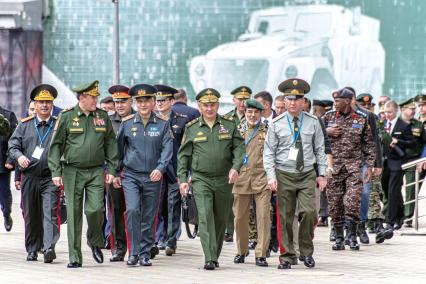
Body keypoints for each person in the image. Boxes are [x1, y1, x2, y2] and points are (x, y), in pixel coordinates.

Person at [48, 80, 118, 268]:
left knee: (95, 209)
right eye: (92, 97)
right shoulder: (67, 116)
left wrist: (112, 168)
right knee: (74, 213)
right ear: (82, 98)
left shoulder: (102, 116)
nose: (96, 100)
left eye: (96, 97)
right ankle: (75, 257)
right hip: (72, 170)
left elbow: (111, 143)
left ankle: (94, 240)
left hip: (96, 170)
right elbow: (56, 146)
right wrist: (56, 171)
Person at [263, 78, 327, 269]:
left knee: (309, 212)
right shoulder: (276, 124)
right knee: (285, 216)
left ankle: (306, 252)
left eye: (297, 99)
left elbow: (320, 149)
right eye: (289, 99)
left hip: (307, 173)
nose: (293, 103)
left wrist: (321, 174)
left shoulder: (314, 122)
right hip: (284, 174)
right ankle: (287, 256)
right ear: (284, 101)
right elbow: (268, 152)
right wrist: (271, 177)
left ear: (304, 101)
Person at [178, 88, 244, 270]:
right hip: (201, 179)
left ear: (217, 105)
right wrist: (183, 179)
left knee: (221, 218)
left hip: (224, 179)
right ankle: (209, 257)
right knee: (205, 216)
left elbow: (239, 149)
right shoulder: (191, 128)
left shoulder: (229, 125)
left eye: (212, 104)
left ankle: (214, 253)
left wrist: (236, 167)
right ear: (199, 106)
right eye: (205, 105)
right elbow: (183, 156)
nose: (209, 108)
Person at [114, 84, 173, 267]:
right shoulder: (127, 123)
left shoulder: (163, 124)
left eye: (147, 100)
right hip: (131, 175)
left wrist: (161, 168)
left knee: (148, 215)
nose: (143, 104)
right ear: (135, 102)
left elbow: (167, 149)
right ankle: (134, 252)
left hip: (153, 176)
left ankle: (145, 253)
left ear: (154, 102)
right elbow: (118, 151)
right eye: (139, 101)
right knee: (132, 211)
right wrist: (116, 172)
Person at [8, 84, 60, 262]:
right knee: (31, 214)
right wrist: (19, 157)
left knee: (50, 212)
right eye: (40, 102)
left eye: (48, 102)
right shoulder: (25, 125)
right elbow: (13, 146)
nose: (44, 105)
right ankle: (32, 248)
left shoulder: (58, 125)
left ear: (52, 104)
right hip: (29, 176)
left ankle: (48, 248)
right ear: (34, 105)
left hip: (51, 177)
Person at [324, 88, 376, 251]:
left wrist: (370, 165)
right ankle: (339, 237)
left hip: (354, 167)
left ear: (347, 101)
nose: (335, 103)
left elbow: (369, 143)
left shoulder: (361, 119)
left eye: (338, 100)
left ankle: (352, 236)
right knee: (335, 203)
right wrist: (327, 131)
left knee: (352, 201)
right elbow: (316, 137)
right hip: (334, 168)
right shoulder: (328, 117)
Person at [232, 99, 271, 267]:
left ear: (261, 113)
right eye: (249, 112)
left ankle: (261, 253)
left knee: (263, 216)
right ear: (245, 112)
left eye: (256, 112)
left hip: (262, 179)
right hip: (241, 179)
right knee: (240, 217)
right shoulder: (236, 130)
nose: (252, 115)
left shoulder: (268, 130)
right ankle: (241, 251)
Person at [154, 84, 189, 256]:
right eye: (157, 100)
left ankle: (171, 240)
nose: (159, 103)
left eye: (163, 100)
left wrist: (185, 173)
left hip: (175, 169)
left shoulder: (181, 120)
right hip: (157, 169)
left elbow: (186, 148)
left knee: (173, 205)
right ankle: (161, 236)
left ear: (172, 101)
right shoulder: (152, 119)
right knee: (159, 206)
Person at [106, 84, 134, 262]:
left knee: (136, 210)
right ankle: (119, 247)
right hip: (114, 173)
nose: (120, 105)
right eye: (116, 102)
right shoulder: (107, 122)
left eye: (123, 101)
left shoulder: (141, 119)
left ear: (131, 101)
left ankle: (139, 246)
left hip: (136, 173)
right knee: (116, 211)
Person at [222, 86, 251, 242]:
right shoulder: (226, 119)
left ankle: (246, 230)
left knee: (245, 198)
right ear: (234, 100)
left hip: (250, 162)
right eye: (240, 99)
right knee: (230, 197)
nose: (243, 102)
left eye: (246, 99)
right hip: (231, 162)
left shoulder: (254, 117)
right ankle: (229, 229)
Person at [381, 100, 415, 232]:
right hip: (384, 162)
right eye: (385, 112)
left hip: (396, 162)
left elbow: (411, 143)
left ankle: (390, 221)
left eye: (389, 112)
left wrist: (397, 141)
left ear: (395, 111)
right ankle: (400, 215)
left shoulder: (403, 125)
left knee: (393, 190)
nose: (387, 115)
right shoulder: (382, 124)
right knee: (387, 191)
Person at [398, 98, 425, 228]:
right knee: (391, 189)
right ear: (403, 109)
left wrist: (422, 159)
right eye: (411, 109)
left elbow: (425, 142)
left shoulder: (418, 125)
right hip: (396, 161)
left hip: (413, 160)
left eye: (415, 109)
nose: (414, 111)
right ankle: (394, 215)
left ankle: (407, 217)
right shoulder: (395, 123)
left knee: (410, 190)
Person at [0, 103, 18, 232]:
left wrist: (10, 159)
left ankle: (6, 214)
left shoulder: (8, 115)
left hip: (2, 163)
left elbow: (14, 140)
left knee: (5, 193)